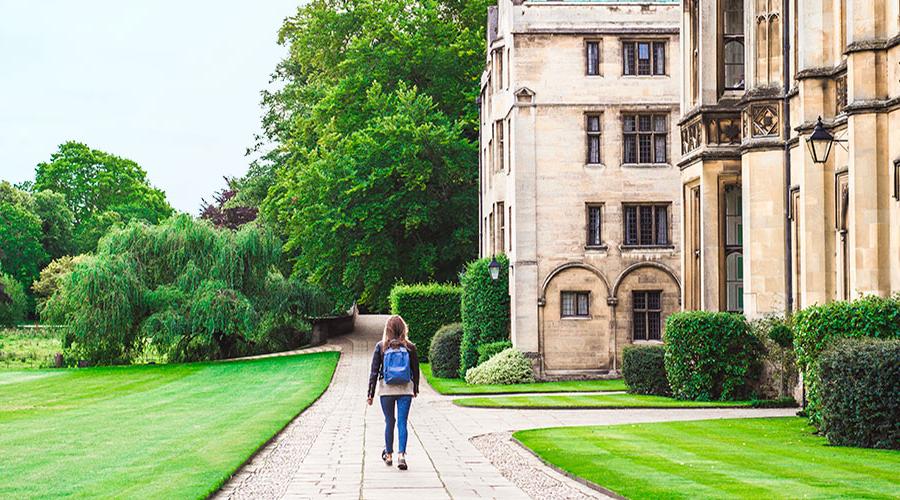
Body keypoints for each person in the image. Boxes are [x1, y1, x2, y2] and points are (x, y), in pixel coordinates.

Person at [367, 315, 419, 470]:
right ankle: (401, 455)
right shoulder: (410, 347)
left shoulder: (381, 347)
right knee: (403, 422)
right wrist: (415, 388)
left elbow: (374, 372)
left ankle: (388, 454)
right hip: (405, 389)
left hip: (386, 390)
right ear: (403, 328)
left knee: (390, 421)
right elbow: (416, 371)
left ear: (387, 329)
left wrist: (370, 394)